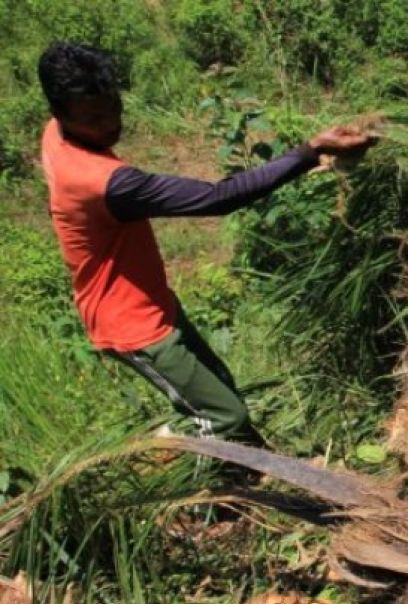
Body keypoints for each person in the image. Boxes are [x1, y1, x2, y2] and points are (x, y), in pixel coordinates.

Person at [37, 42, 376, 450]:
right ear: (61, 113)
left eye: (114, 107)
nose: (110, 124)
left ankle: (242, 471)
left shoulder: (56, 134)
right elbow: (218, 198)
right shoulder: (104, 182)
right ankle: (181, 480)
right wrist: (311, 151)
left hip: (151, 300)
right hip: (134, 327)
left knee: (220, 388)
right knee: (224, 416)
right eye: (94, 118)